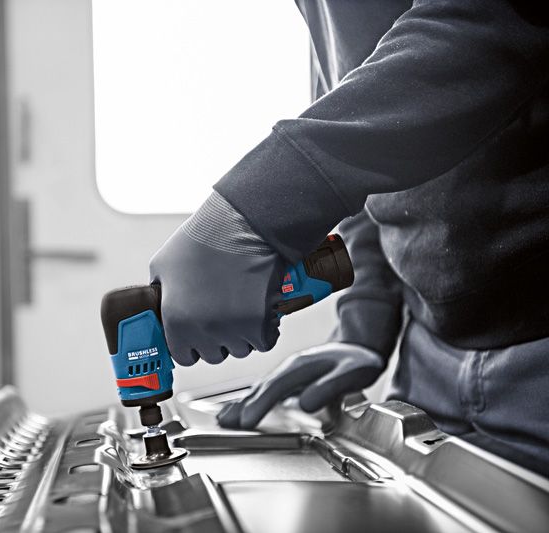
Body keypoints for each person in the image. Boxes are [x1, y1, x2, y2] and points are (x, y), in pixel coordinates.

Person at [149, 0, 549, 476]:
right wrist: (364, 326)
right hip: (429, 355)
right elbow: (367, 156)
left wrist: (247, 213)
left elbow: (489, 24)